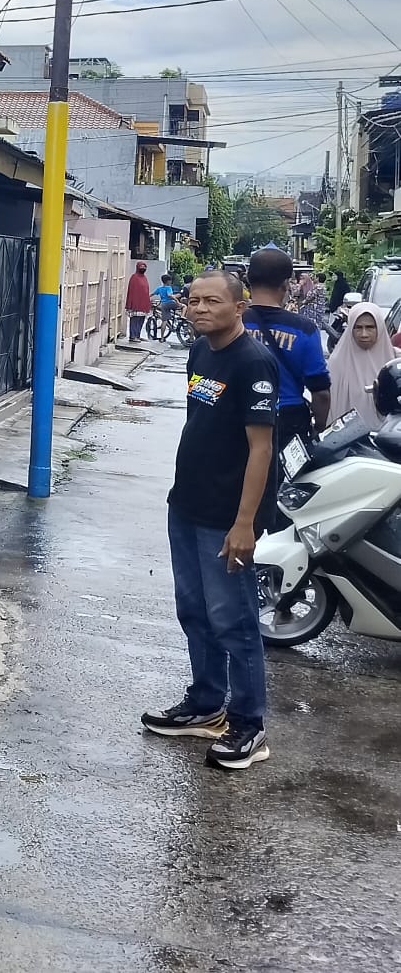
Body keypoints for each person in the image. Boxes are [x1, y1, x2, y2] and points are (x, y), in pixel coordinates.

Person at [141, 270, 275, 771]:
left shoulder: (253, 363)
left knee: (234, 621)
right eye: (193, 300)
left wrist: (245, 523)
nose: (199, 308)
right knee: (194, 611)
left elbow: (261, 449)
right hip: (187, 504)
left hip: (226, 515)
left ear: (239, 307)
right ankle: (206, 704)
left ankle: (249, 724)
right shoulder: (199, 352)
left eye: (212, 301)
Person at [243, 248, 330, 533]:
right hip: (287, 422)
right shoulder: (304, 329)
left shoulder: (234, 322)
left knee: (237, 490)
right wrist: (319, 427)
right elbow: (320, 391)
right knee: (283, 498)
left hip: (236, 419)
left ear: (248, 280)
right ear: (286, 284)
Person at [327, 303, 399, 429]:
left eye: (370, 327)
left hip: (389, 436)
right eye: (358, 328)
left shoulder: (396, 361)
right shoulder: (337, 363)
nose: (364, 334)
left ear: (379, 328)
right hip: (347, 437)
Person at [126, 261, 153, 341]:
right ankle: (132, 336)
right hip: (135, 303)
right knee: (135, 319)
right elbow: (131, 291)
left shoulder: (145, 278)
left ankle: (137, 335)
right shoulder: (134, 277)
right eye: (141, 266)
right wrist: (130, 304)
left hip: (143, 303)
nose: (143, 268)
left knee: (141, 319)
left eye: (144, 267)